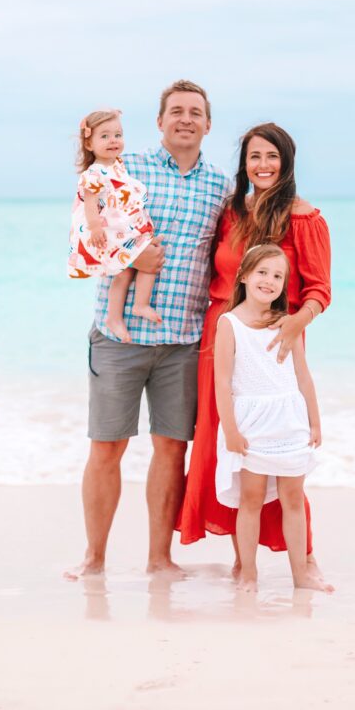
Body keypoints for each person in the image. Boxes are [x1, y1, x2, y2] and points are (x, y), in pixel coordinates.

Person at [65, 80, 231, 580]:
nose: (185, 119)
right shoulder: (124, 168)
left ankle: (160, 559)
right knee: (106, 447)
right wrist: (133, 253)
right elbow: (86, 225)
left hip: (183, 341)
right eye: (175, 111)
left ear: (207, 124)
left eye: (195, 112)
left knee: (171, 448)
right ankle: (94, 559)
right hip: (118, 339)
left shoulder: (221, 186)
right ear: (159, 122)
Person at [177, 122, 331, 572]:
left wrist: (293, 325)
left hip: (276, 342)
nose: (263, 166)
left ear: (286, 162)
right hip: (222, 334)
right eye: (254, 157)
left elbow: (320, 290)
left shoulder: (304, 217)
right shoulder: (232, 211)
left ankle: (306, 558)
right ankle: (243, 563)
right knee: (228, 446)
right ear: (244, 165)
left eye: (272, 156)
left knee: (282, 447)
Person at [214, 243, 332, 592]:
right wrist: (231, 431)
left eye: (278, 276)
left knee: (293, 500)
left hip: (289, 421)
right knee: (251, 500)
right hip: (251, 425)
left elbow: (303, 375)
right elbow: (221, 381)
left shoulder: (287, 323)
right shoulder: (229, 324)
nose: (269, 281)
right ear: (244, 276)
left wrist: (314, 421)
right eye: (262, 272)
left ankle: (300, 578)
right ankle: (249, 574)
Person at [67, 109, 160, 342]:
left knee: (134, 266)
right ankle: (122, 313)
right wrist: (96, 228)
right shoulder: (94, 173)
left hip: (124, 225)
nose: (113, 141)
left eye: (118, 135)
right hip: (108, 230)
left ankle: (133, 307)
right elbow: (89, 204)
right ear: (89, 143)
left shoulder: (117, 165)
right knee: (129, 268)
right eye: (105, 136)